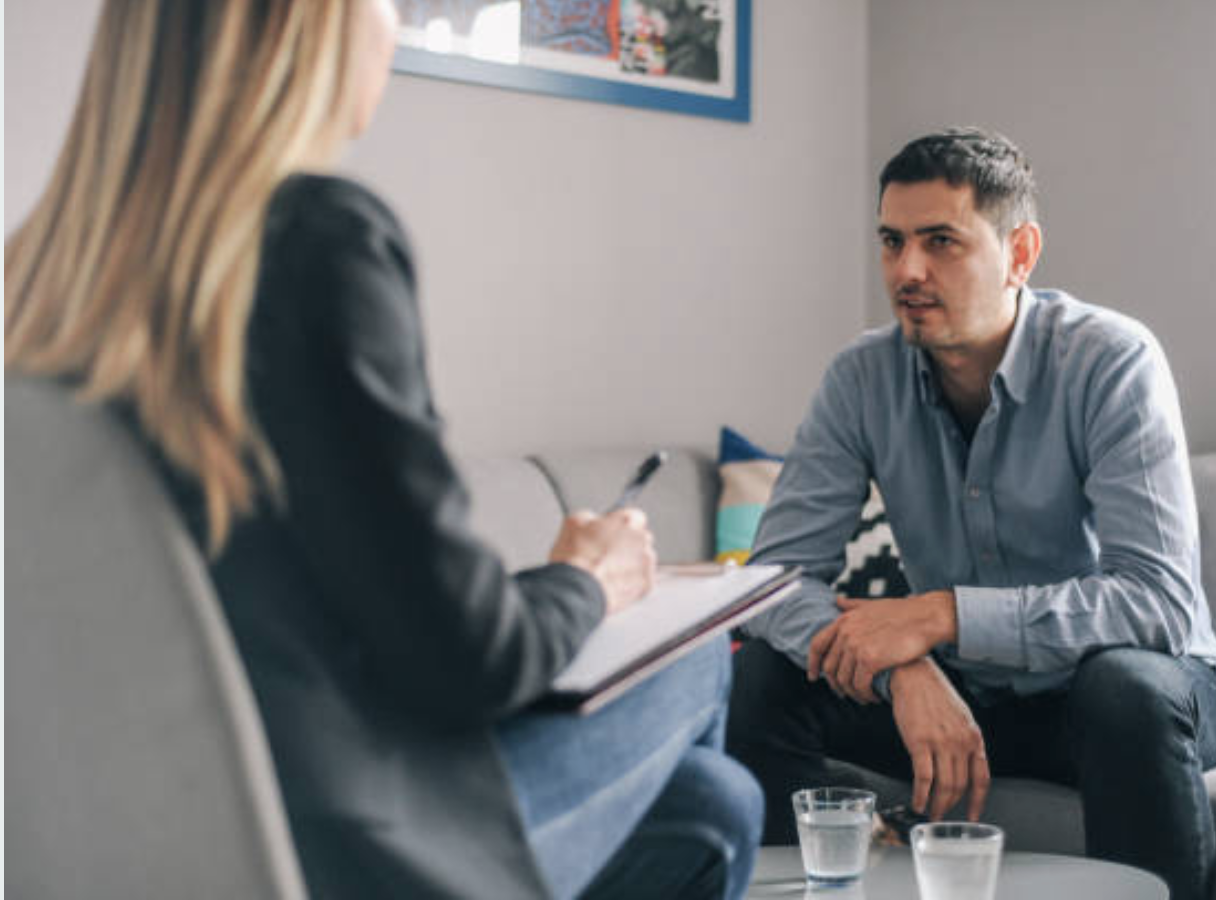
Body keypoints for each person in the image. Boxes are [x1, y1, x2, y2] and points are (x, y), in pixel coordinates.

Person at [4, 2, 762, 898]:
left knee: (712, 806)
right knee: (701, 654)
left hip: (155, 844)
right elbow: (465, 662)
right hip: (343, 848)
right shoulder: (313, 243)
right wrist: (590, 580)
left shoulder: (46, 282)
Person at [726, 127, 1216, 900]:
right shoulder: (861, 377)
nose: (908, 270)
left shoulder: (1111, 361)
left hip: (1132, 697)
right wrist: (902, 667)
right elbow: (772, 580)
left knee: (1123, 687)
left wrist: (939, 617)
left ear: (1020, 252)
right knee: (763, 676)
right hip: (966, 692)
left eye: (941, 241)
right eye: (892, 241)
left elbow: (1155, 603)